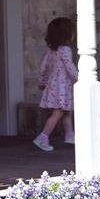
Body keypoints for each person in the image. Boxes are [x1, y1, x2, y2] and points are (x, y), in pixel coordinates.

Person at [33, 17, 78, 151]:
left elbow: (43, 68)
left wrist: (42, 82)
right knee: (58, 113)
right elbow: (70, 67)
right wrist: (80, 79)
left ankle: (70, 136)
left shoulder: (52, 50)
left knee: (66, 112)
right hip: (62, 88)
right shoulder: (65, 50)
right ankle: (42, 138)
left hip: (54, 86)